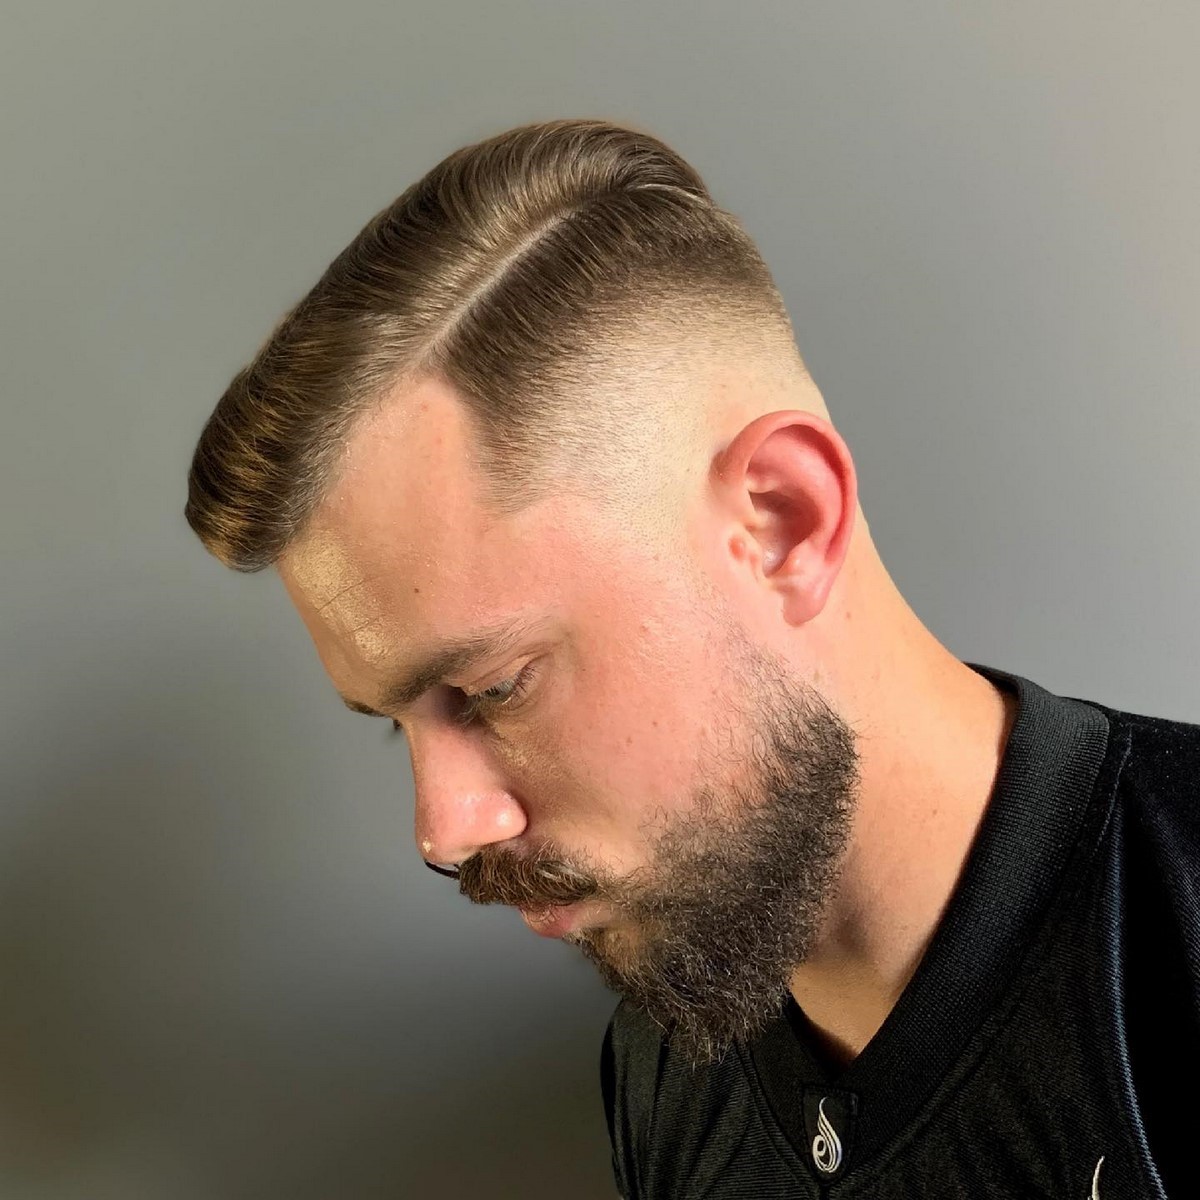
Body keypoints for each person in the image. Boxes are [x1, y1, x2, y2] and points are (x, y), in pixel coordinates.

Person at [185, 119, 1199, 1199]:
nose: (443, 830)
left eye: (492, 688)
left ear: (784, 520)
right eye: (399, 726)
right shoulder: (666, 1071)